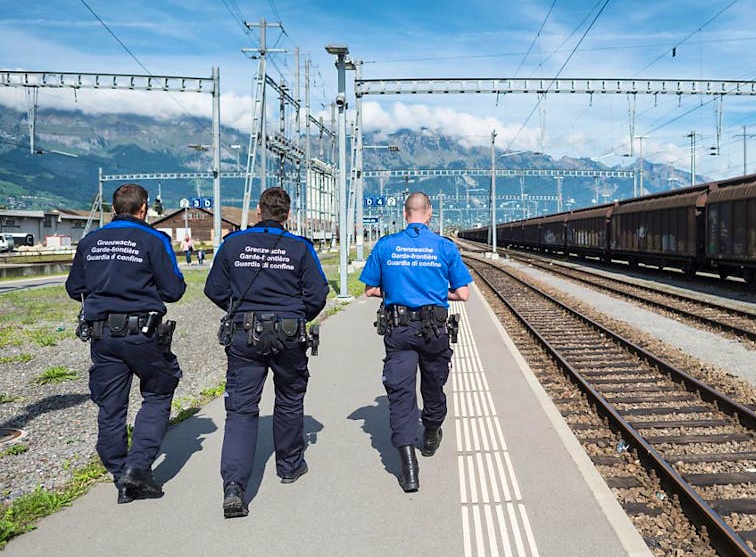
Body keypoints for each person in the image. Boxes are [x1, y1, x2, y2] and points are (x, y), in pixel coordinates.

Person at [204, 187, 329, 519]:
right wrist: (297, 316)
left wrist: (240, 311)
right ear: (286, 214)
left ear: (259, 212)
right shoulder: (300, 247)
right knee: (289, 398)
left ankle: (234, 487)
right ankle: (289, 467)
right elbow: (318, 293)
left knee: (242, 409)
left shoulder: (233, 244)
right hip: (289, 335)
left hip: (244, 335)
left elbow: (213, 288)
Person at [65, 183, 186, 504]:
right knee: (159, 391)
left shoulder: (91, 240)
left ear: (114, 208)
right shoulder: (154, 239)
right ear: (143, 208)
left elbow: (74, 286)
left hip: (102, 335)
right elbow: (174, 289)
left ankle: (119, 472)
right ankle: (137, 467)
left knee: (110, 405)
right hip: (143, 334)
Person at [359, 192, 472, 492]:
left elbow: (370, 290)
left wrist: (395, 292)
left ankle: (409, 469)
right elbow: (463, 294)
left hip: (400, 330)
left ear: (405, 213)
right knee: (433, 385)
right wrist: (438, 295)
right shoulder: (445, 247)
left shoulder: (386, 245)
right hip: (435, 330)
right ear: (429, 213)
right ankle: (432, 431)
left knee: (400, 393)